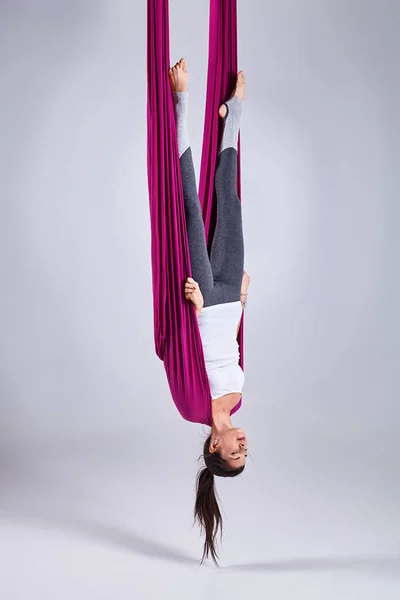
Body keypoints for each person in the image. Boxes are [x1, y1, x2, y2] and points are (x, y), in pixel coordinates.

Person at [169, 59, 250, 565]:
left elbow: (183, 355)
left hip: (201, 300)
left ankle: (180, 100)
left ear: (214, 449)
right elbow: (235, 346)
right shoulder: (239, 399)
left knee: (192, 210)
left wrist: (197, 309)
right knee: (230, 201)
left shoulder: (193, 406)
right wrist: (243, 303)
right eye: (247, 451)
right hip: (228, 298)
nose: (243, 443)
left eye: (235, 451)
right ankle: (232, 114)